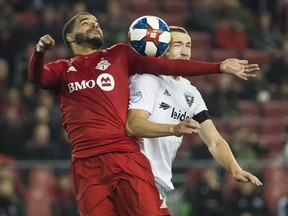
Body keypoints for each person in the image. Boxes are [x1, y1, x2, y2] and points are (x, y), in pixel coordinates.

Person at [28, 12, 260, 216]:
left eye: (96, 22)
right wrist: (39, 52)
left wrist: (218, 67)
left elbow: (171, 69)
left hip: (128, 161)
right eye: (86, 23)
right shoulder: (65, 69)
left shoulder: (119, 56)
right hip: (87, 163)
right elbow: (38, 77)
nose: (94, 25)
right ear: (70, 36)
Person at [126, 26, 262, 206]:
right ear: (163, 50)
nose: (185, 51)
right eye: (178, 45)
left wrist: (234, 168)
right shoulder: (149, 79)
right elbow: (133, 125)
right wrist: (173, 129)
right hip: (136, 175)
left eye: (188, 45)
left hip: (158, 180)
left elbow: (215, 141)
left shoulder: (190, 92)